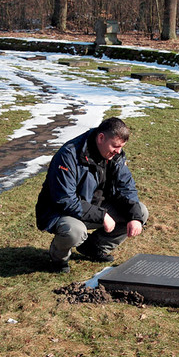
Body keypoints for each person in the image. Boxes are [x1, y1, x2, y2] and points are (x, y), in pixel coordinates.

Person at [35, 117, 148, 273]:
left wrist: (135, 217)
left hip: (95, 207)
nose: (118, 151)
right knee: (75, 231)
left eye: (121, 147)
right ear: (101, 138)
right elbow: (65, 200)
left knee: (140, 212)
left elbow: (126, 187)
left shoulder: (115, 156)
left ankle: (93, 248)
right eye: (115, 146)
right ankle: (58, 257)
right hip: (61, 212)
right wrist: (102, 216)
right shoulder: (68, 155)